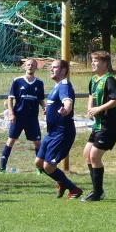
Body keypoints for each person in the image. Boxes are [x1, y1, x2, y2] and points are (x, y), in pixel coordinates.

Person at [35, 59, 82, 199]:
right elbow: (56, 104)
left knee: (49, 167)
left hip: (62, 133)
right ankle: (61, 181)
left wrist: (66, 110)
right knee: (39, 163)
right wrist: (49, 110)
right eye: (51, 67)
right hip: (51, 132)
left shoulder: (64, 85)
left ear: (63, 70)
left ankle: (74, 189)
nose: (51, 69)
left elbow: (67, 101)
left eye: (55, 67)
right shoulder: (56, 86)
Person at [82, 51, 116, 202]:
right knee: (87, 154)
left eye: (95, 60)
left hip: (110, 125)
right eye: (92, 60)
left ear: (105, 63)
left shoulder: (109, 79)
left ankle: (97, 193)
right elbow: (91, 95)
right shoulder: (94, 79)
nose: (92, 63)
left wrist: (99, 109)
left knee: (94, 156)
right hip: (98, 124)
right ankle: (98, 191)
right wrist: (89, 108)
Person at [0, 59, 46, 174]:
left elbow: (40, 99)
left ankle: (39, 168)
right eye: (28, 65)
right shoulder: (17, 81)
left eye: (33, 65)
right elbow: (10, 98)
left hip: (32, 118)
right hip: (18, 117)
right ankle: (2, 168)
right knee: (11, 140)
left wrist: (45, 107)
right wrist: (11, 113)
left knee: (38, 143)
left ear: (36, 67)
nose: (30, 67)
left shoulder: (39, 83)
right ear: (25, 66)